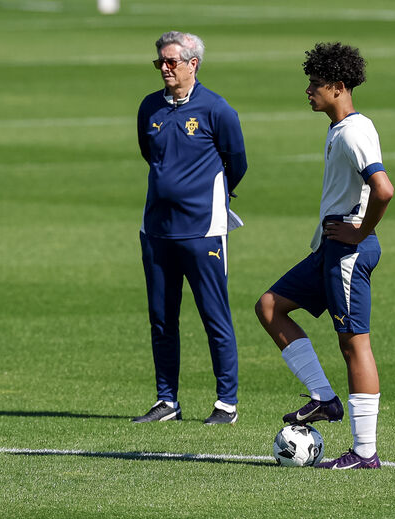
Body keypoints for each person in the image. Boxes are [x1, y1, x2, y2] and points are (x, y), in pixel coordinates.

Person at [255, 42, 394, 469]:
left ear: (337, 86)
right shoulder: (340, 128)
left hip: (347, 250)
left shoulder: (353, 132)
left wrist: (359, 232)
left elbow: (384, 189)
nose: (308, 90)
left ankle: (365, 452)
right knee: (270, 306)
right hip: (329, 249)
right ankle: (324, 398)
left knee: (354, 344)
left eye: (315, 84)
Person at [133, 31, 247, 425]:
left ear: (192, 64)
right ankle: (167, 401)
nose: (164, 68)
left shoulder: (217, 109)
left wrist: (210, 196)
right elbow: (150, 155)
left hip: (203, 231)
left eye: (171, 62)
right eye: (159, 62)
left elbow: (237, 162)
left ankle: (226, 403)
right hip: (156, 230)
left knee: (215, 316)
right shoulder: (149, 107)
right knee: (162, 319)